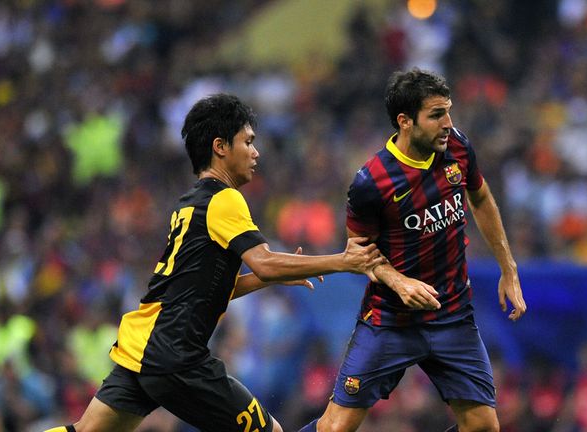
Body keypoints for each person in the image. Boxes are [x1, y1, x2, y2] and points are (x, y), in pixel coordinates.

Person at [44, 93, 386, 432]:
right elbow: (264, 261)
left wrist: (270, 278)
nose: (256, 153)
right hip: (175, 356)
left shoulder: (190, 203)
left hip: (142, 346)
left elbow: (202, 290)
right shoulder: (225, 200)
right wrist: (343, 261)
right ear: (220, 146)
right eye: (248, 142)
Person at [299, 68, 527, 432]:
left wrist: (508, 268)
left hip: (452, 313)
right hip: (391, 320)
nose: (448, 123)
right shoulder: (371, 182)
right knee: (335, 428)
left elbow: (480, 197)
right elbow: (359, 253)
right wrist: (399, 282)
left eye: (448, 111)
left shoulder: (457, 148)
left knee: (484, 426)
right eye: (436, 115)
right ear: (405, 121)